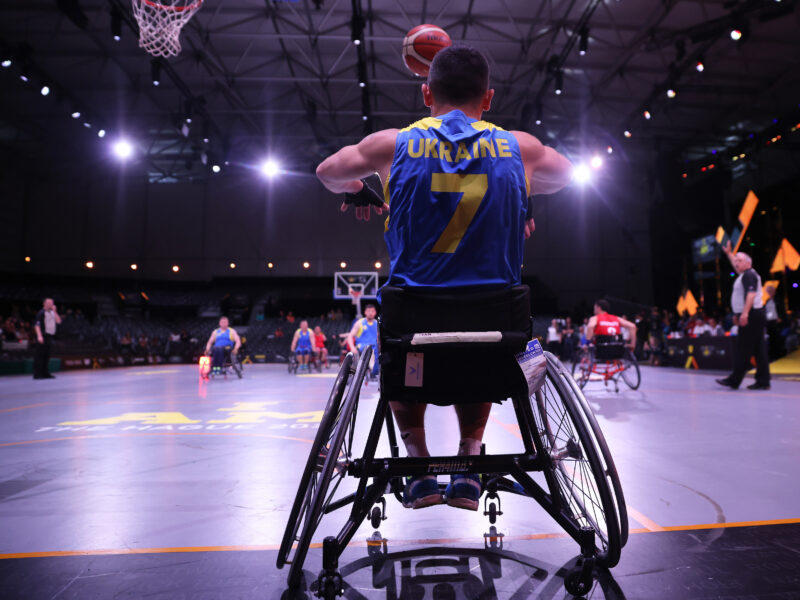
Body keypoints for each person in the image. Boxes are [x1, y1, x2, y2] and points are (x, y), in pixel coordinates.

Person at [315, 46, 572, 510]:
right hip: (498, 322)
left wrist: (357, 190)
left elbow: (327, 173)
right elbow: (565, 176)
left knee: (401, 341)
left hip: (415, 322)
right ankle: (469, 458)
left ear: (426, 93)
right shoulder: (521, 148)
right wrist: (523, 193)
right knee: (484, 340)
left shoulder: (392, 145)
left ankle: (419, 465)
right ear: (488, 97)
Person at [716, 242, 770, 390]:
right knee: (759, 349)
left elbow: (751, 295)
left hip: (751, 314)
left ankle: (734, 380)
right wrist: (729, 254)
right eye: (736, 260)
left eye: (739, 260)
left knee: (743, 348)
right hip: (755, 314)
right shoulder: (746, 274)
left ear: (748, 263)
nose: (736, 263)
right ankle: (763, 381)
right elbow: (736, 264)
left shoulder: (749, 275)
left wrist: (744, 313)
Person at [346, 304, 379, 379]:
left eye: (372, 311)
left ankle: (377, 372)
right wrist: (352, 347)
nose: (370, 313)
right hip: (363, 347)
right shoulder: (359, 323)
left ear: (375, 313)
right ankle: (373, 371)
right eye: (368, 311)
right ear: (365, 312)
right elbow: (350, 336)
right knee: (371, 352)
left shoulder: (377, 324)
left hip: (375, 347)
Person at [33, 298, 61, 379]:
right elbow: (37, 325)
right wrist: (39, 336)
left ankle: (45, 373)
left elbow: (59, 321)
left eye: (52, 303)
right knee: (39, 356)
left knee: (47, 355)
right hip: (42, 335)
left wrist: (55, 311)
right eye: (49, 303)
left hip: (49, 336)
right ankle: (37, 374)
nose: (51, 304)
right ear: (44, 303)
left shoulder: (52, 312)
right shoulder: (41, 313)